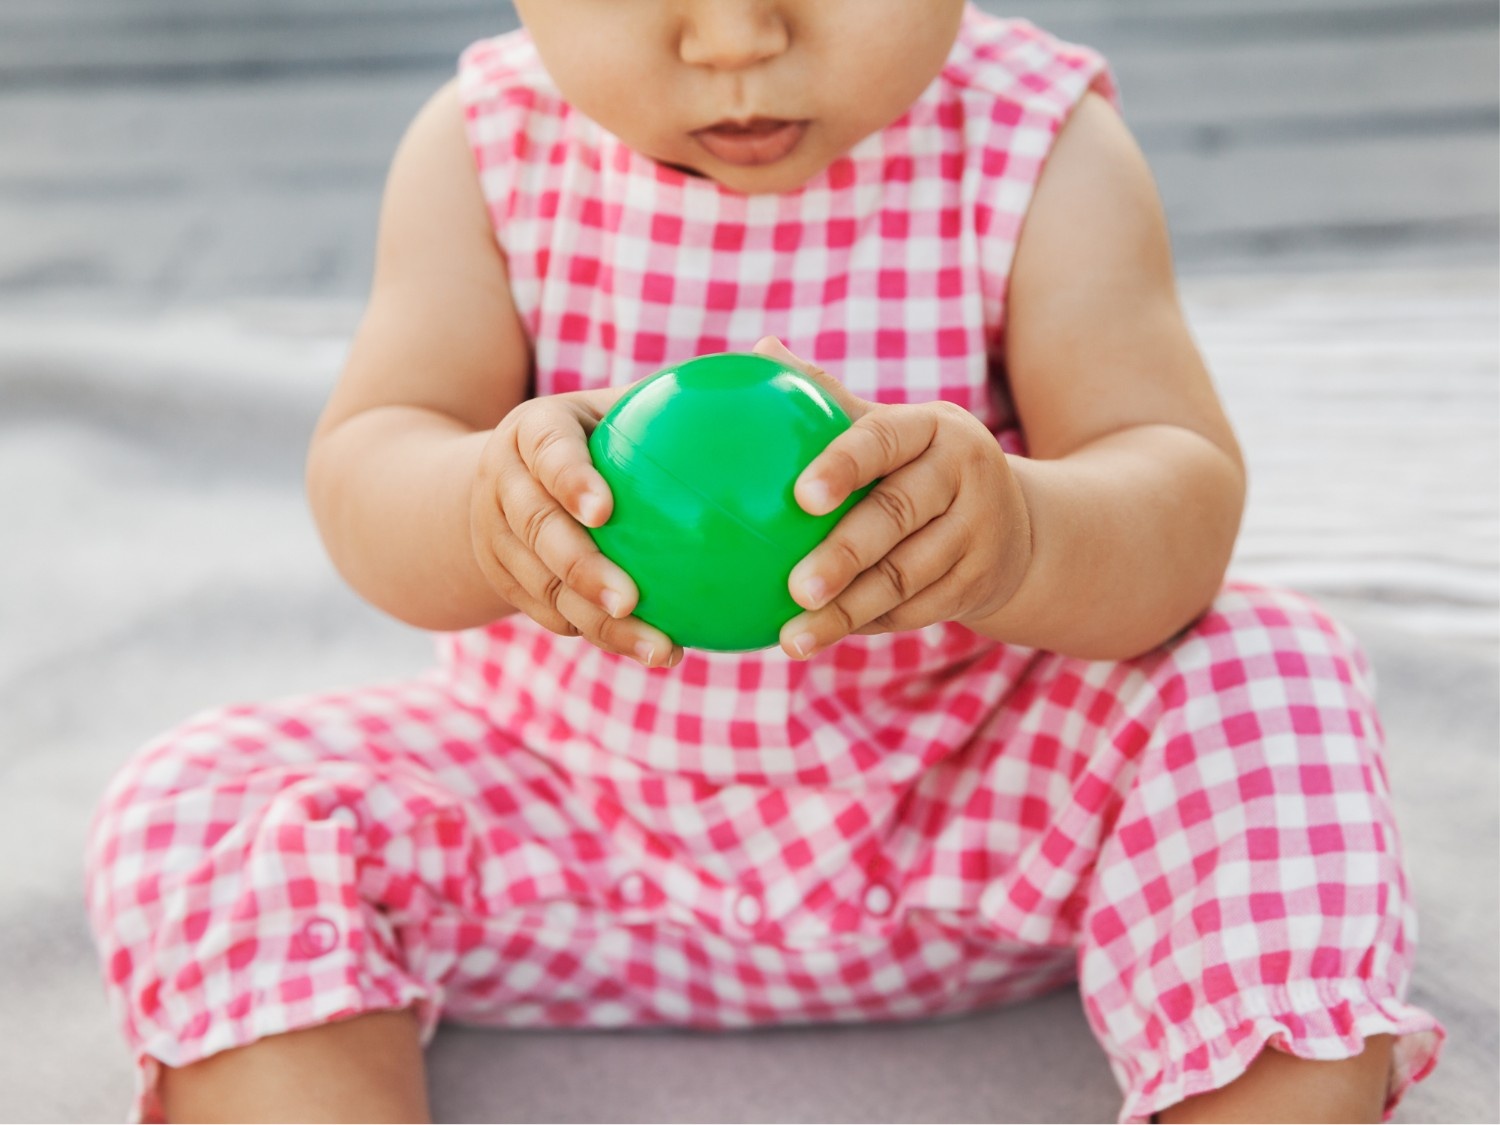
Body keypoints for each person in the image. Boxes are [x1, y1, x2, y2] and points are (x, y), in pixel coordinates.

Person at [85, 2, 1444, 1121]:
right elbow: (368, 462)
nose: (735, 35)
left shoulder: (1039, 146)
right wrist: (477, 508)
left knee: (1270, 665)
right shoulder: (484, 147)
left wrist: (1019, 531)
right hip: (574, 824)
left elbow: (1178, 506)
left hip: (974, 807)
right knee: (211, 800)